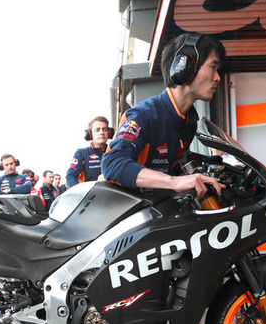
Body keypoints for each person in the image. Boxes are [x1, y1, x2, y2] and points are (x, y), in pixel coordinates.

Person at [102, 33, 225, 199]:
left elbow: (171, 167)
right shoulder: (144, 115)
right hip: (118, 209)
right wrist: (173, 181)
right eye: (213, 67)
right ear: (185, 66)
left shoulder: (188, 123)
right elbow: (112, 164)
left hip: (153, 211)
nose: (218, 77)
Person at [67, 116, 111, 187]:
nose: (101, 132)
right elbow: (70, 176)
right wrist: (81, 192)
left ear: (109, 133)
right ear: (90, 134)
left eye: (104, 129)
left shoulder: (115, 152)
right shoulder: (81, 153)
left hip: (113, 195)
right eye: (97, 130)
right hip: (91, 196)